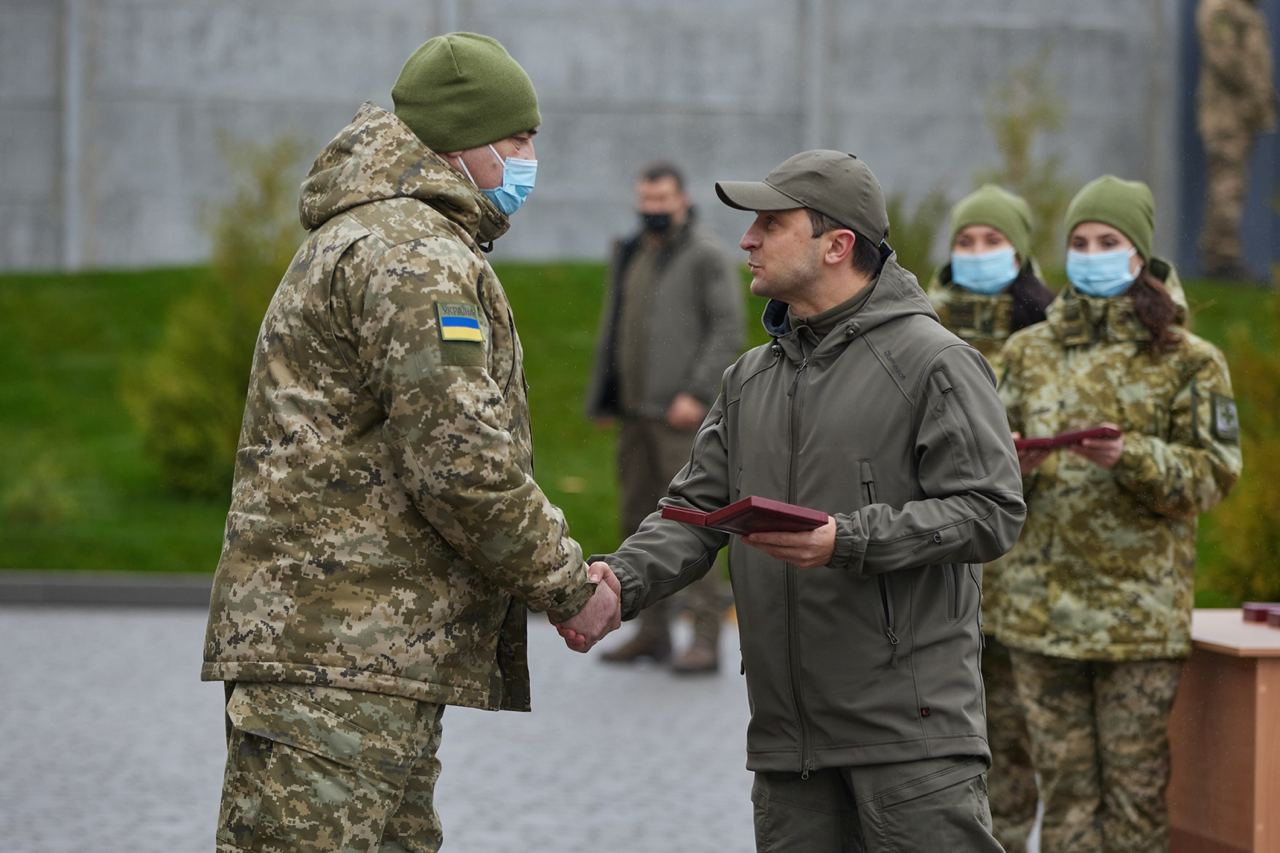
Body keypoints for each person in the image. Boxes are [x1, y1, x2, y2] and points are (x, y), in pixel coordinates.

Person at [201, 33, 620, 853]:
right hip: (339, 661)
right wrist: (569, 585)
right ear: (462, 142)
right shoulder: (412, 253)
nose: (531, 159)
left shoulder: (382, 236)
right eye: (519, 140)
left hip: (355, 656)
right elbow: (460, 459)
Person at [563, 150, 1026, 852]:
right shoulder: (749, 377)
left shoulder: (936, 362)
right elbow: (690, 512)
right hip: (788, 750)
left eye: (770, 224)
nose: (747, 240)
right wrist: (618, 585)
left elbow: (991, 509)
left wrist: (848, 537)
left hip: (908, 742)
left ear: (837, 244)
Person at [997, 176, 1243, 852]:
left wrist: (1129, 455)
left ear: (1140, 255)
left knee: (1134, 805)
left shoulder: (1188, 360)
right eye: (1080, 242)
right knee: (1068, 801)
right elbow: (978, 477)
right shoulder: (1028, 352)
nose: (1092, 253)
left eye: (1109, 241)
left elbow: (1214, 474)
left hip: (1135, 620)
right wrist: (1012, 467)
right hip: (1038, 616)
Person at [926, 184, 1055, 853]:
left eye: (992, 241)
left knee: (1020, 745)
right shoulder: (922, 319)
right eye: (966, 241)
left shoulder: (1047, 330)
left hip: (1029, 579)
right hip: (941, 572)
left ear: (1021, 250)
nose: (977, 254)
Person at [585, 161, 744, 673]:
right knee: (636, 523)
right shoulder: (632, 251)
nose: (653, 209)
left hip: (681, 416)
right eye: (646, 200)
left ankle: (703, 636)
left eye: (662, 200)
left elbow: (727, 329)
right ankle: (651, 632)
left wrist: (696, 393)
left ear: (682, 199)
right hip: (634, 414)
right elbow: (614, 325)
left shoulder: (707, 256)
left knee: (690, 525)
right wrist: (604, 397)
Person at [1196, 0, 1277, 280]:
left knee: (1233, 187)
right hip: (1226, 118)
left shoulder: (1247, 11)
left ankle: (1224, 256)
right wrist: (1255, 91)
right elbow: (1223, 57)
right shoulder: (1220, 8)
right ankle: (1220, 260)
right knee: (1226, 188)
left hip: (1242, 117)